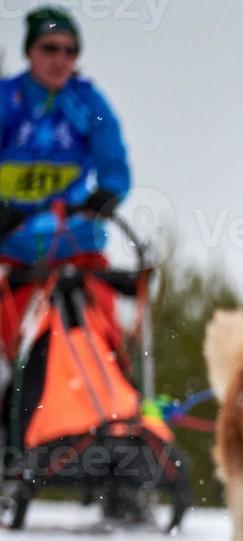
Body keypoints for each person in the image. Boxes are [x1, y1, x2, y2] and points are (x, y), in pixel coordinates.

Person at [0, 6, 131, 362]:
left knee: (111, 342)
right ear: (30, 51)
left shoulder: (89, 103)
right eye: (50, 48)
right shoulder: (6, 100)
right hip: (12, 253)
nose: (60, 59)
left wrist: (107, 195)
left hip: (77, 247)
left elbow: (114, 166)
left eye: (69, 51)